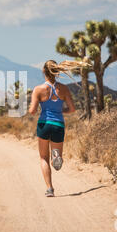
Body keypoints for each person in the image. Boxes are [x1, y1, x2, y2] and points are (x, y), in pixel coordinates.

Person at [29, 60, 81, 197]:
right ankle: (56, 156)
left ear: (43, 72)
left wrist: (34, 104)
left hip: (44, 125)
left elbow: (32, 111)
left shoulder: (38, 89)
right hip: (58, 124)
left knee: (43, 158)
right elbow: (72, 109)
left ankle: (50, 189)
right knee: (55, 155)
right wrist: (60, 112)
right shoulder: (64, 89)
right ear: (57, 72)